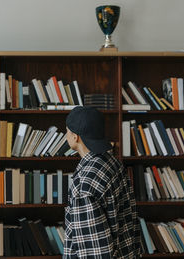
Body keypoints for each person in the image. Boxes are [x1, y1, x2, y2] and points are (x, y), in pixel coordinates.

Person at [63, 106, 141, 259]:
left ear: (75, 137)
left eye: (67, 131)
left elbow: (95, 251)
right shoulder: (112, 162)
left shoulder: (84, 184)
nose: (66, 135)